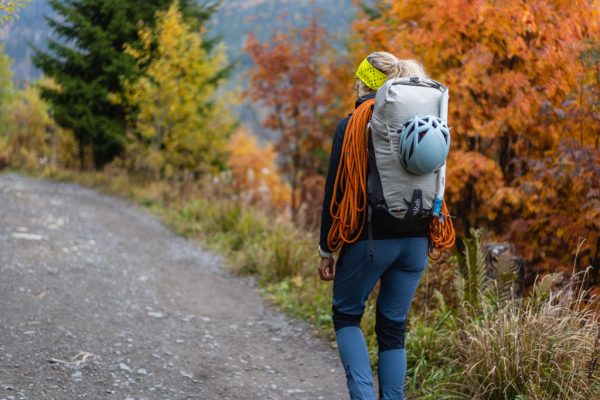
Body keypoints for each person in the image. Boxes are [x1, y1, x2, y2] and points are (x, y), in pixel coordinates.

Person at [318, 52, 430, 400]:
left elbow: (334, 194)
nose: (355, 83)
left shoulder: (352, 124)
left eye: (360, 78)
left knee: (347, 315)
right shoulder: (423, 122)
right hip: (417, 240)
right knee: (393, 328)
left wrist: (326, 249)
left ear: (367, 84)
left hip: (370, 239)